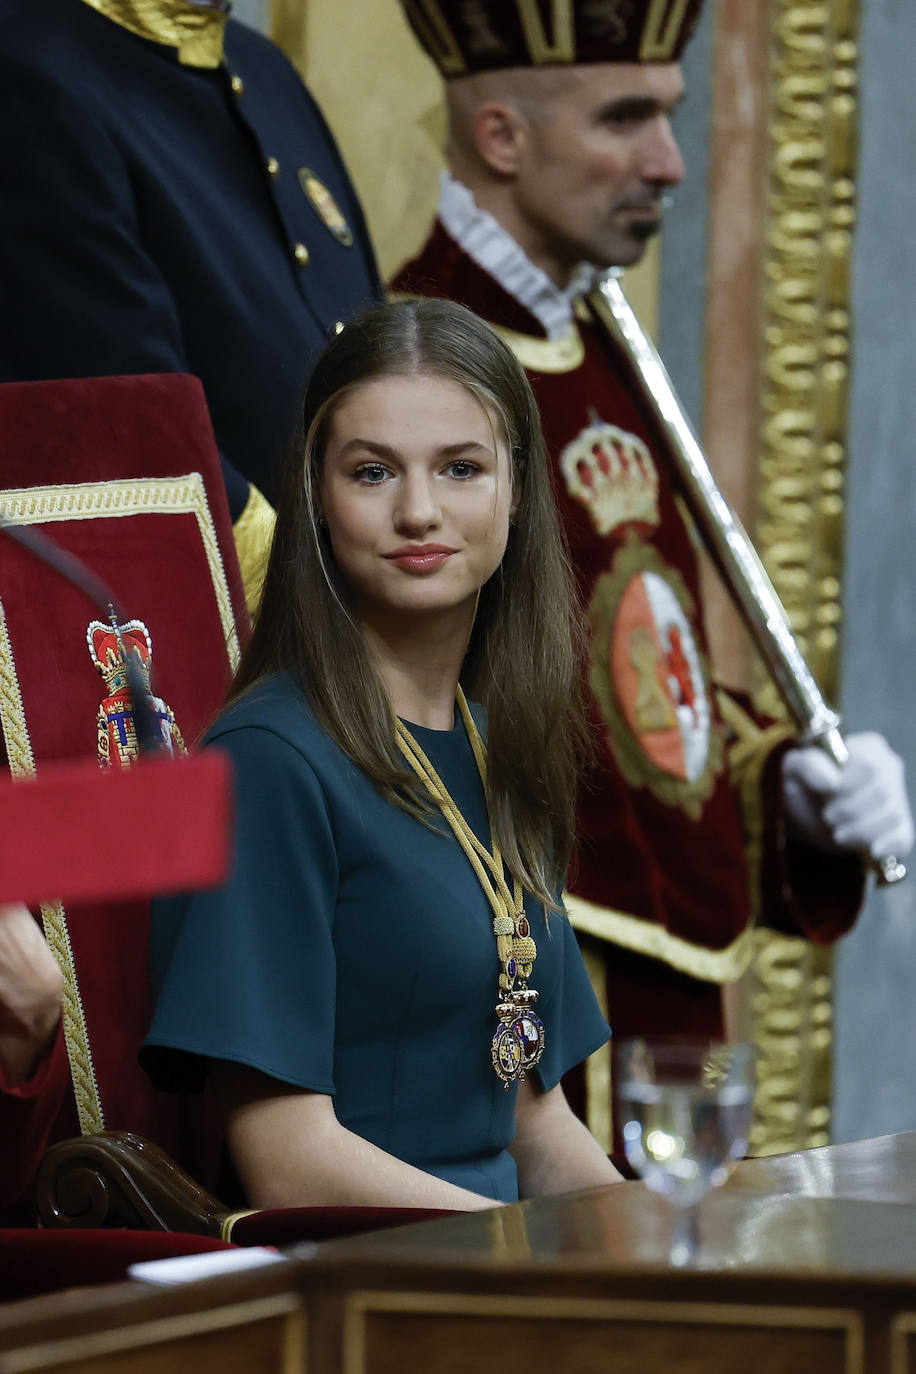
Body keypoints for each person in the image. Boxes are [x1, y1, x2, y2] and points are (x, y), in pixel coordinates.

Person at [390, 0, 914, 1137]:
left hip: (667, 1000)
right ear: (501, 137)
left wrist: (789, 793)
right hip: (523, 1019)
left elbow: (636, 691)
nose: (668, 163)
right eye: (624, 119)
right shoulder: (410, 376)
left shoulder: (602, 349)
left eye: (671, 118)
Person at [141, 298, 621, 1207]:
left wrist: (671, 1253)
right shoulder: (266, 763)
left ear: (516, 493)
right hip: (357, 1292)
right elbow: (289, 1163)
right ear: (316, 498)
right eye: (371, 473)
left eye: (461, 468)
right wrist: (537, 1267)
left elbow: (532, 1126)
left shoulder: (491, 742)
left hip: (494, 1277)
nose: (418, 510)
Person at [0, 0, 381, 605]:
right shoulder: (29, 65)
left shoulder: (261, 64)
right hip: (224, 626)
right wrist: (324, 606)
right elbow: (129, 414)